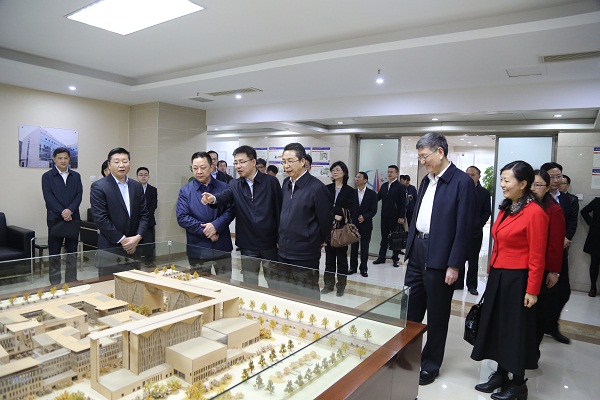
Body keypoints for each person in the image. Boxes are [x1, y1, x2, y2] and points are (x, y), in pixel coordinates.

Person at [472, 161, 548, 400]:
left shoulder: (535, 213)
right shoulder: (507, 207)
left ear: (523, 184)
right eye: (501, 180)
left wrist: (532, 290)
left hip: (519, 279)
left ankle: (518, 383)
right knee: (498, 326)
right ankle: (501, 374)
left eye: (507, 180)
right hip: (500, 275)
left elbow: (537, 255)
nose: (502, 185)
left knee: (515, 330)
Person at [404, 132, 475, 385]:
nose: (422, 161)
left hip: (441, 256)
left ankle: (430, 364)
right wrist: (410, 248)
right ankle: (407, 356)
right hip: (418, 250)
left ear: (440, 152)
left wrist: (454, 264)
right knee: (410, 310)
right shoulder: (427, 180)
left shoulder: (461, 182)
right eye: (420, 157)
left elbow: (464, 228)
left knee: (437, 315)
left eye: (425, 156)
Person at [201, 145, 282, 286]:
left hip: (269, 243)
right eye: (236, 162)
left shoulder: (270, 182)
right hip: (247, 243)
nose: (238, 166)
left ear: (253, 162)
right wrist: (213, 199)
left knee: (274, 282)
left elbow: (279, 210)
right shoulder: (235, 184)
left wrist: (280, 239)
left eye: (242, 162)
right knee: (249, 283)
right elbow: (224, 196)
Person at [278, 143, 331, 299]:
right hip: (284, 250)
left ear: (302, 161)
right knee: (286, 293)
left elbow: (325, 221)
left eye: (290, 161)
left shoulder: (317, 188)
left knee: (307, 294)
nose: (286, 166)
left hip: (305, 253)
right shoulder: (286, 184)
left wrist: (315, 240)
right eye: (283, 162)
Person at [91, 148, 149, 277]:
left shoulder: (136, 186)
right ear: (109, 164)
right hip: (110, 248)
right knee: (109, 285)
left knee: (134, 284)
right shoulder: (99, 186)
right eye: (117, 162)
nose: (121, 165)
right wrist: (123, 240)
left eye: (125, 161)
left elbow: (144, 214)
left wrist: (137, 237)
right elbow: (100, 218)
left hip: (134, 247)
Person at [177, 152, 234, 278]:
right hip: (198, 248)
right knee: (200, 284)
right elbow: (182, 217)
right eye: (195, 168)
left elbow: (231, 211)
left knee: (225, 283)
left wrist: (215, 226)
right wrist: (207, 230)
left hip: (221, 246)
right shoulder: (185, 191)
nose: (199, 171)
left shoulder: (224, 187)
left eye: (203, 167)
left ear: (211, 167)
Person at [540, 162, 577, 344]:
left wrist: (566, 238)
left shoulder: (568, 199)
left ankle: (551, 325)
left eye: (559, 176)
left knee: (563, 292)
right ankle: (538, 326)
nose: (556, 180)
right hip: (542, 253)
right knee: (542, 292)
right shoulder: (539, 198)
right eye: (552, 176)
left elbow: (572, 222)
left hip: (560, 252)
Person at [531, 169, 565, 364]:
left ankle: (532, 354)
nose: (534, 188)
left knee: (539, 312)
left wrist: (554, 271)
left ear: (546, 187)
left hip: (543, 267)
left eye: (538, 185)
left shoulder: (553, 209)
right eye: (531, 184)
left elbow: (555, 244)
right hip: (526, 267)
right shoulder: (525, 204)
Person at [41, 147, 83, 285]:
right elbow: (49, 197)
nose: (63, 161)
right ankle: (55, 283)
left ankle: (71, 281)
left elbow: (79, 195)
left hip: (73, 219)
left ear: (69, 159)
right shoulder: (47, 176)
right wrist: (63, 212)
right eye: (60, 158)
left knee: (72, 252)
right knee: (54, 253)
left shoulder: (76, 176)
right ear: (54, 159)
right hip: (55, 219)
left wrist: (70, 210)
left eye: (66, 158)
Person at [322, 161, 357, 297]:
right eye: (333, 170)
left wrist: (338, 212)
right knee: (329, 259)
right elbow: (324, 206)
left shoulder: (350, 191)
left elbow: (351, 209)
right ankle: (328, 285)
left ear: (344, 172)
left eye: (338, 169)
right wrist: (335, 212)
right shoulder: (327, 188)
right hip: (328, 229)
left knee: (342, 260)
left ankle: (341, 286)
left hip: (342, 230)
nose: (335, 172)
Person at [456, 166, 491, 295]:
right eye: (467, 174)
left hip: (475, 232)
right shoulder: (460, 189)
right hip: (460, 231)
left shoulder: (484, 193)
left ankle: (471, 285)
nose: (469, 177)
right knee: (459, 257)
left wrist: (479, 224)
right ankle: (458, 283)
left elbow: (487, 212)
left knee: (473, 259)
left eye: (472, 175)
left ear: (478, 176)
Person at [373, 165, 406, 267]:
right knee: (384, 238)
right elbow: (377, 197)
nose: (389, 174)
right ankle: (381, 257)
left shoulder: (400, 187)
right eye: (388, 172)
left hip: (395, 217)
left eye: (391, 172)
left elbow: (403, 203)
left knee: (395, 238)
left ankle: (395, 259)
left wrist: (401, 217)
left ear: (396, 174)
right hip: (384, 216)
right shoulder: (384, 186)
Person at [349, 172, 378, 277]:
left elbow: (374, 210)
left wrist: (364, 217)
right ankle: (352, 267)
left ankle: (364, 269)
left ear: (365, 180)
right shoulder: (352, 193)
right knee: (354, 247)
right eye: (356, 177)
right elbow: (349, 208)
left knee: (364, 248)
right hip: (354, 225)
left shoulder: (372, 194)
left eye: (359, 177)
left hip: (366, 225)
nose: (356, 179)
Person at [136, 167, 158, 266]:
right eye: (141, 175)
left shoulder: (153, 190)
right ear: (137, 177)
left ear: (148, 176)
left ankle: (149, 262)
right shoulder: (133, 188)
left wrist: (144, 218)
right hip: (135, 222)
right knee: (136, 244)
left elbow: (153, 206)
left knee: (149, 243)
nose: (143, 177)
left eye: (145, 175)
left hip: (149, 221)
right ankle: (135, 262)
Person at [581, 197, 600, 297]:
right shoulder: (597, 201)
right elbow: (584, 211)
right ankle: (593, 288)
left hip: (596, 237)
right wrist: (593, 224)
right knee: (594, 263)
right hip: (597, 237)